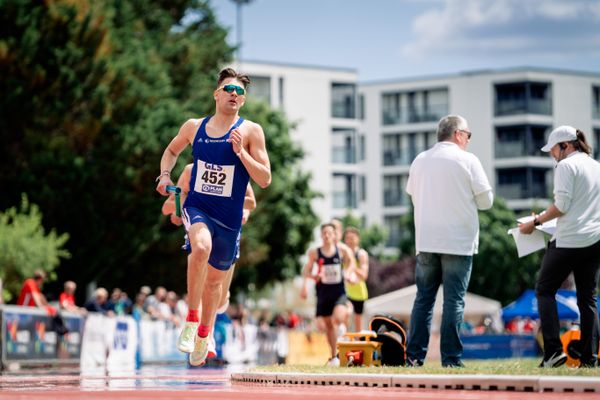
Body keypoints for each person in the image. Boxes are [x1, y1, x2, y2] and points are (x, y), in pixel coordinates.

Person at [156, 67, 271, 367]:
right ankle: (191, 321)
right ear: (217, 94)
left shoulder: (250, 131)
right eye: (229, 90)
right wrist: (165, 175)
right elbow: (171, 150)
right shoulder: (195, 127)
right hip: (199, 208)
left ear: (243, 101)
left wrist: (242, 154)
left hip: (229, 220)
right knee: (200, 247)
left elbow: (265, 178)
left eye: (240, 92)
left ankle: (205, 335)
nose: (235, 95)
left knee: (215, 286)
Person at [404, 115, 493, 368]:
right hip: (458, 241)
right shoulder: (468, 160)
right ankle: (451, 359)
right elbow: (487, 202)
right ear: (458, 134)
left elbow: (413, 195)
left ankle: (414, 357)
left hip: (426, 240)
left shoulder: (420, 160)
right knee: (454, 301)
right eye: (468, 135)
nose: (468, 140)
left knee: (424, 299)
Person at [519, 125, 600, 368]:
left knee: (544, 290)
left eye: (553, 150)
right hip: (595, 240)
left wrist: (535, 222)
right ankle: (590, 358)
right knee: (587, 299)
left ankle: (553, 353)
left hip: (568, 241)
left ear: (565, 146)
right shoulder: (596, 165)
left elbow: (562, 205)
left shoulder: (566, 166)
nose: (552, 155)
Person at [162, 163, 257, 358]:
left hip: (227, 232)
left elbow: (251, 203)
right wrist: (181, 205)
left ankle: (211, 325)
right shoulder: (190, 171)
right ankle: (200, 330)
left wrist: (240, 209)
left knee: (219, 297)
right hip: (201, 231)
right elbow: (169, 205)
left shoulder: (237, 170)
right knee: (199, 264)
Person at [300, 223, 356, 366]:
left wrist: (348, 273)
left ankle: (347, 313)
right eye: (324, 233)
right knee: (328, 326)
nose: (326, 236)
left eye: (329, 233)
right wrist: (311, 280)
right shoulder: (315, 253)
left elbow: (351, 262)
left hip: (338, 292)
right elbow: (306, 271)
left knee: (337, 319)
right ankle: (334, 356)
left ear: (334, 235)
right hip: (323, 293)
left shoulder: (341, 250)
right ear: (321, 235)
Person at [343, 226, 369, 331]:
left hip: (359, 293)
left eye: (352, 238)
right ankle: (345, 341)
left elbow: (364, 275)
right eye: (347, 238)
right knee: (345, 314)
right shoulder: (342, 254)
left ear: (358, 239)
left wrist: (353, 265)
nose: (349, 241)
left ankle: (357, 345)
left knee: (358, 323)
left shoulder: (361, 254)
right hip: (345, 292)